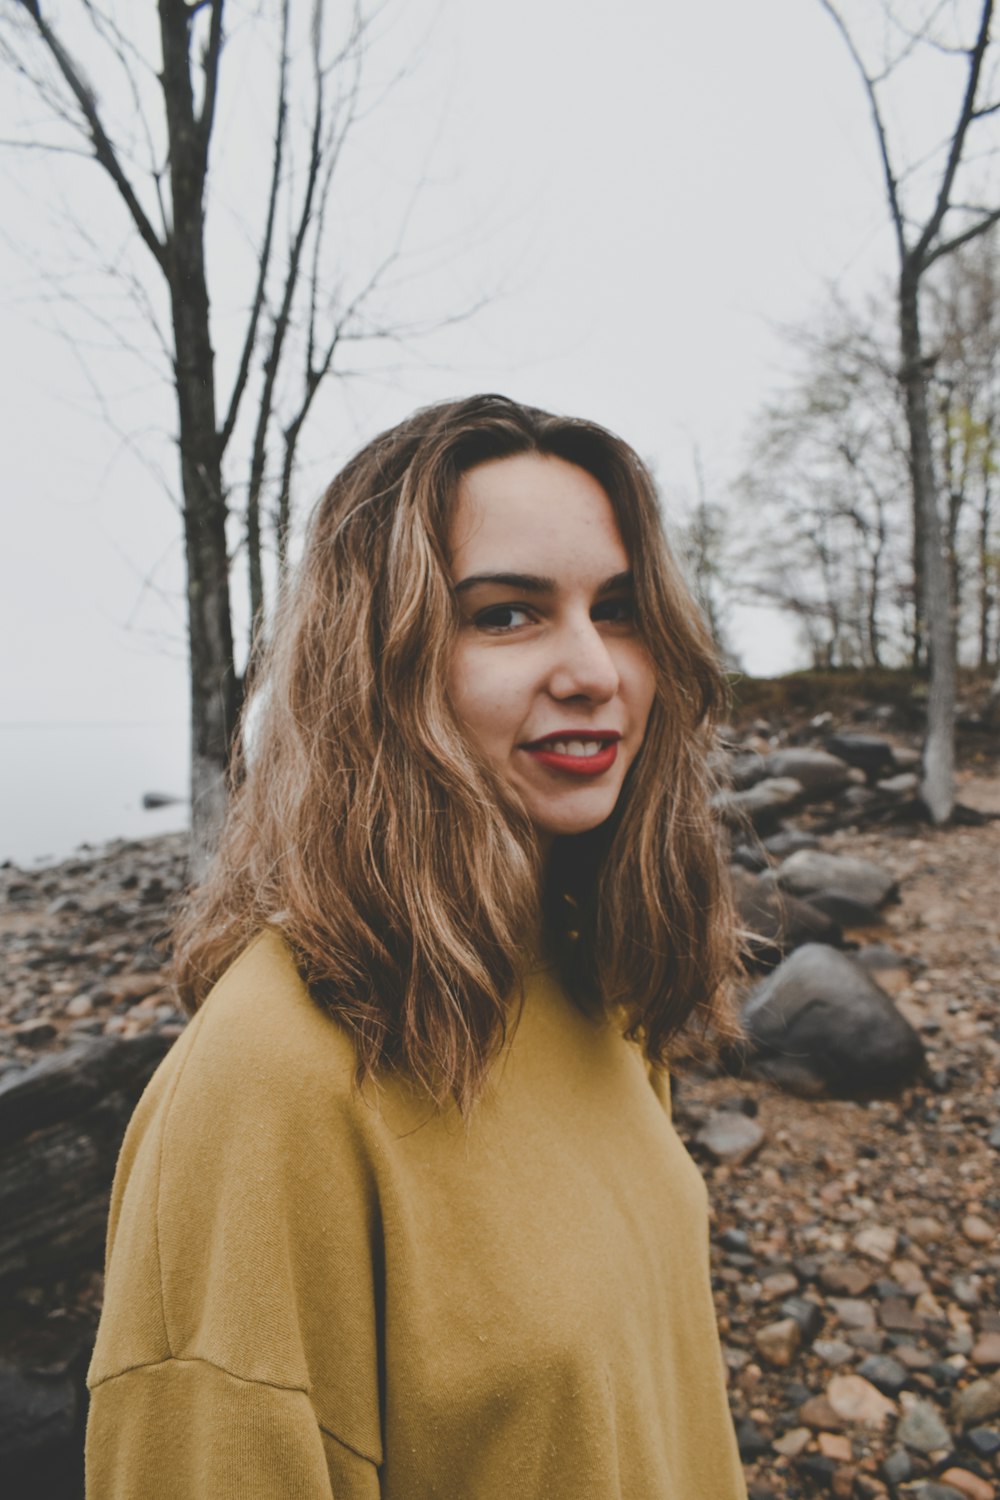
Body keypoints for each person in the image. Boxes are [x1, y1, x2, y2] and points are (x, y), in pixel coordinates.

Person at [85, 394, 747, 1499]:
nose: (595, 670)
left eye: (619, 608)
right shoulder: (273, 1085)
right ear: (372, 665)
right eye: (505, 615)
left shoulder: (594, 973)